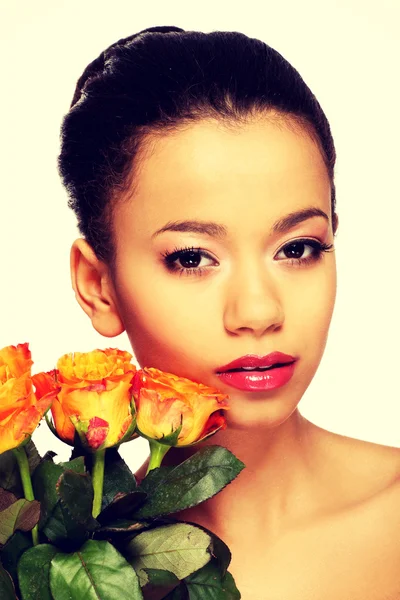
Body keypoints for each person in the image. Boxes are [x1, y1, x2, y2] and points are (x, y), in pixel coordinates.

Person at [59, 25, 400, 598]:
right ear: (99, 286)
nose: (259, 310)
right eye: (193, 258)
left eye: (298, 248)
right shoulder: (49, 563)